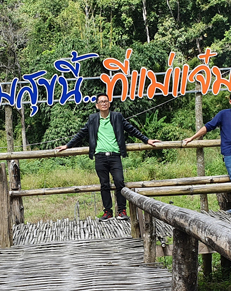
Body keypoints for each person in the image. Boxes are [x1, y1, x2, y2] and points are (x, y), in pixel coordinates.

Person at [55, 92, 159, 220]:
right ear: (97, 105)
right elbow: (81, 133)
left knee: (120, 182)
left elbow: (131, 129)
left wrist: (146, 140)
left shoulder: (117, 117)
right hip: (100, 157)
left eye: (106, 101)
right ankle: (108, 212)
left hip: (115, 155)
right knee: (104, 184)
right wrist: (67, 146)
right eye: (101, 101)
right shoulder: (93, 119)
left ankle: (121, 211)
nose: (104, 103)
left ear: (109, 104)